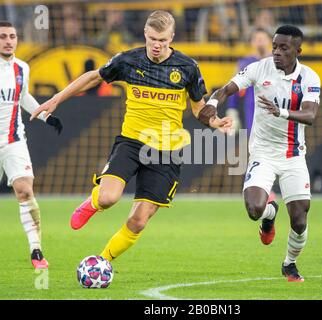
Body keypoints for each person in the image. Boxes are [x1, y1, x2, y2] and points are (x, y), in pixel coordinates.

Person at [31, 11, 232, 264]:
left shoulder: (187, 67)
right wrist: (56, 99)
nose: (156, 45)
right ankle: (93, 203)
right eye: (151, 39)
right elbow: (93, 78)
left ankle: (102, 262)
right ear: (145, 35)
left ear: (171, 37)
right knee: (108, 198)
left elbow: (197, 106)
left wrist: (214, 121)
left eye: (162, 40)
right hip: (132, 141)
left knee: (138, 221)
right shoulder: (129, 60)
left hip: (167, 151)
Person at [205, 25, 321, 282]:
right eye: (275, 47)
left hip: (292, 155)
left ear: (298, 51)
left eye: (284, 48)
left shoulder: (310, 78)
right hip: (263, 152)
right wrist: (214, 102)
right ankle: (270, 216)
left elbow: (311, 115)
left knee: (300, 220)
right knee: (254, 208)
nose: (277, 52)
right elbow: (228, 88)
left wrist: (281, 112)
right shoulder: (259, 68)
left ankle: (289, 264)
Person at [0, 21, 63, 269]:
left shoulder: (23, 67)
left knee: (24, 190)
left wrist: (45, 116)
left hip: (14, 141)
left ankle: (37, 252)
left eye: (13, 36)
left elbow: (23, 97)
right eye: (3, 36)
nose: (9, 40)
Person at [226, 28, 272, 134]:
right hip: (252, 108)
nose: (260, 41)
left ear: (270, 41)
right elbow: (234, 87)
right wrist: (232, 110)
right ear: (252, 42)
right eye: (257, 39)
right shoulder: (244, 63)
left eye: (263, 39)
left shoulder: (279, 62)